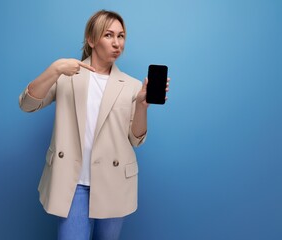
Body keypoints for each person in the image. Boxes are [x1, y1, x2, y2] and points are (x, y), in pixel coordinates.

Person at [19, 10, 169, 240]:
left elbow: (136, 139)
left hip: (114, 181)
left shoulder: (130, 85)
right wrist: (55, 69)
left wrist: (142, 106)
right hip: (73, 182)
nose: (117, 43)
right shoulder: (67, 75)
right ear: (91, 39)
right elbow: (27, 105)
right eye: (109, 35)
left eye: (121, 36)